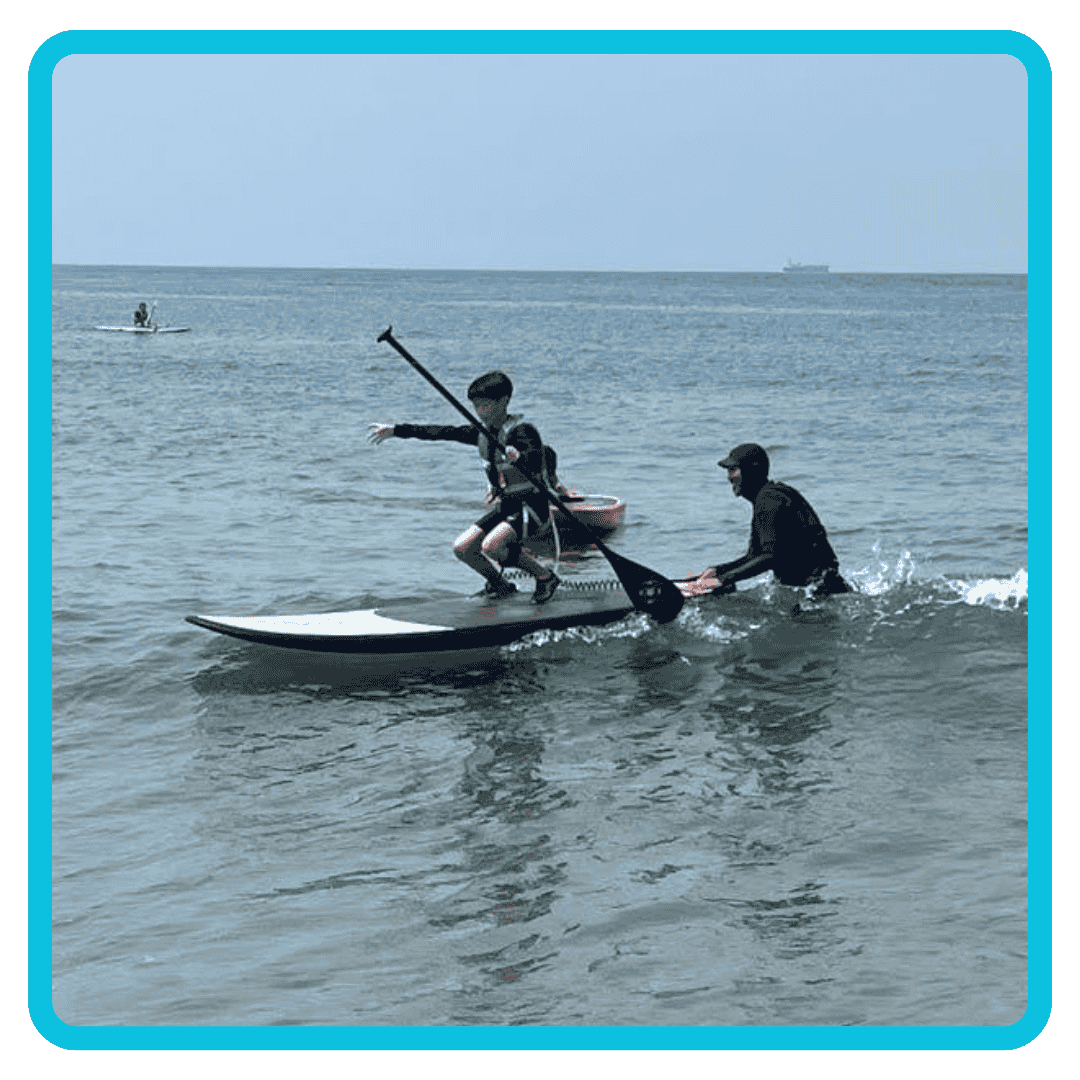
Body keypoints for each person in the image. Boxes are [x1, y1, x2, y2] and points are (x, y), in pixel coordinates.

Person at [368, 371, 570, 603]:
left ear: (503, 401)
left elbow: (536, 456)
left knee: (492, 546)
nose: (480, 412)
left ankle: (545, 577)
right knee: (462, 548)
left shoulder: (522, 432)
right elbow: (442, 432)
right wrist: (397, 431)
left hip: (532, 508)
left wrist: (519, 456)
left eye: (486, 406)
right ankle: (500, 586)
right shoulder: (482, 434)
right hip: (508, 506)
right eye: (476, 407)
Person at [682, 443, 851, 598]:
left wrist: (722, 580)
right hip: (815, 591)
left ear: (751, 471)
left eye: (733, 470)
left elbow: (770, 557)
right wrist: (716, 571)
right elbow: (754, 556)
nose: (729, 478)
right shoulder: (767, 498)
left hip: (821, 592)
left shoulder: (771, 501)